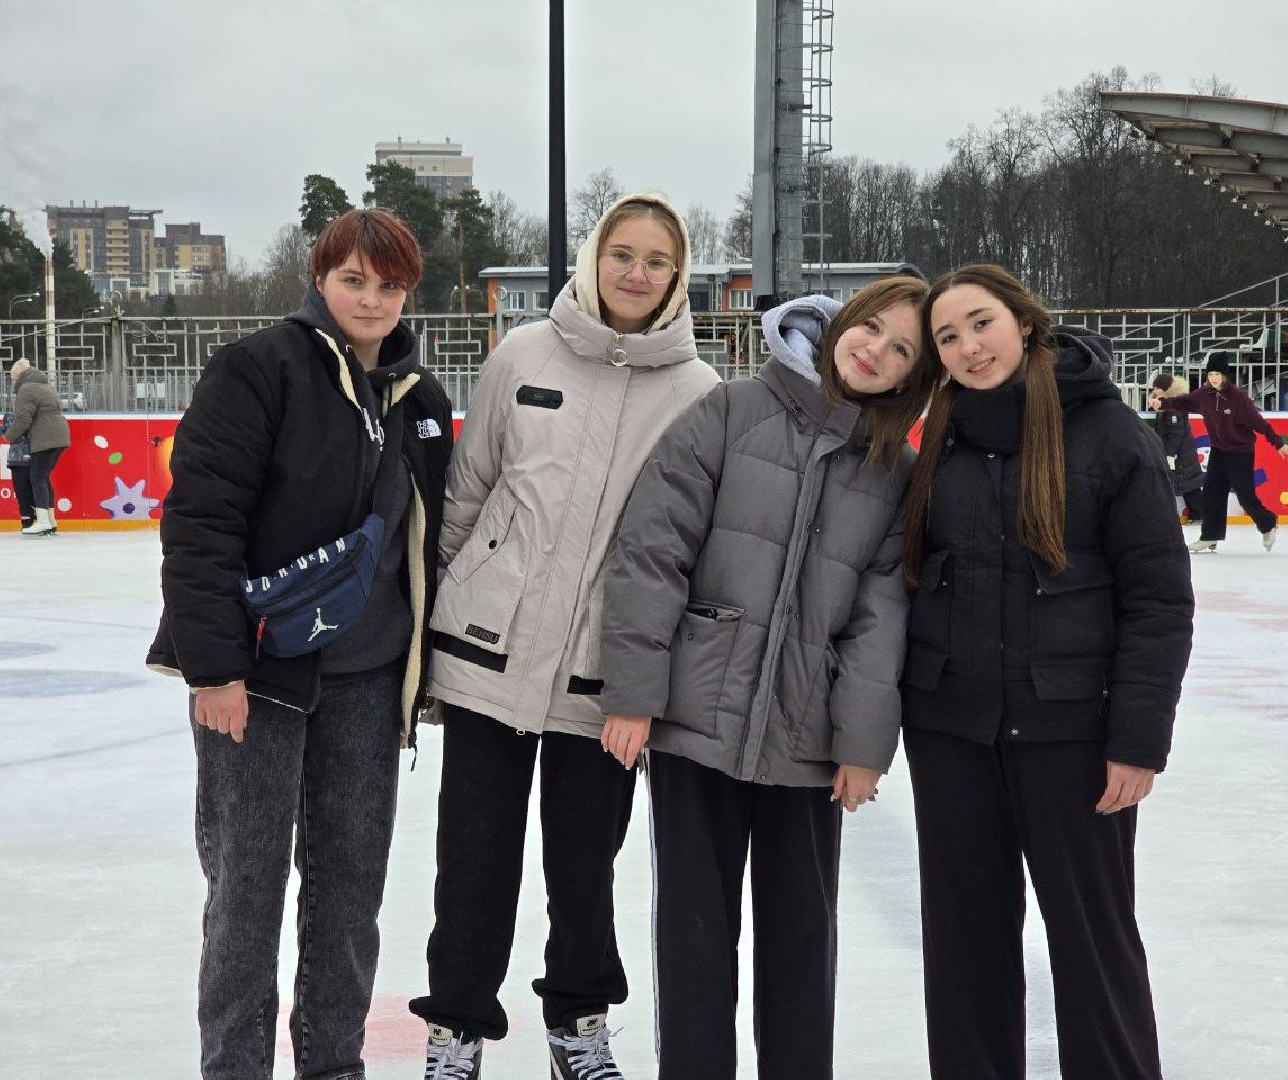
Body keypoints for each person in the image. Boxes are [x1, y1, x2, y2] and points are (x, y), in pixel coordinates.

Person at [409, 193, 720, 1080]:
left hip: (604, 679)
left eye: (656, 261)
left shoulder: (697, 391)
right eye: (622, 253)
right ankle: (456, 1030)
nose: (636, 273)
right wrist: (439, 639)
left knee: (585, 870)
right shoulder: (522, 354)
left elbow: (686, 549)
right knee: (472, 863)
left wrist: (649, 683)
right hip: (485, 659)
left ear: (678, 275)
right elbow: (467, 497)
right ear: (593, 257)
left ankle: (577, 1025)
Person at [599, 275, 940, 1079]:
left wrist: (862, 745)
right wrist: (635, 693)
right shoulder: (730, 411)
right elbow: (652, 553)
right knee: (693, 937)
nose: (876, 352)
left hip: (805, 735)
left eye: (902, 352)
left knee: (800, 941)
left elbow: (878, 616)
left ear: (911, 379)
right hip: (694, 721)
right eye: (873, 329)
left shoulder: (895, 471)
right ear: (842, 322)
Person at [145, 208, 453, 1080]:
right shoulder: (257, 370)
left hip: (368, 680)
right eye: (354, 279)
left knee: (349, 898)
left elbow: (433, 544)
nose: (372, 298)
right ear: (320, 278)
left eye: (389, 284)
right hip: (257, 678)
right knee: (246, 896)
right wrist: (212, 668)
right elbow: (201, 522)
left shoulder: (419, 397)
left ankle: (334, 1067)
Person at [901, 264, 1194, 1079]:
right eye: (948, 337)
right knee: (964, 950)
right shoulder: (942, 436)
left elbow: (1159, 601)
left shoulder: (1108, 433)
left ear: (1025, 322)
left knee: (1093, 945)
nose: (969, 347)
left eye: (981, 323)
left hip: (1073, 735)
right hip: (952, 730)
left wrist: (1137, 741)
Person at [1155, 354, 1288, 553]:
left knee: (1246, 497)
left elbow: (1259, 423)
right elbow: (1184, 402)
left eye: (1217, 373)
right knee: (1211, 496)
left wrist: (1278, 443)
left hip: (1241, 453)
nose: (1213, 377)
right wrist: (1164, 404)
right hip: (1219, 452)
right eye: (1210, 373)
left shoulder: (1238, 398)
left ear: (1225, 375)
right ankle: (1209, 537)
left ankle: (1268, 523)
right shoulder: (1204, 395)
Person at [0, 357, 69, 535]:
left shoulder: (26, 389)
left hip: (46, 437)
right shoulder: (43, 385)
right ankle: (50, 521)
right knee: (43, 478)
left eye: (12, 379)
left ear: (18, 376)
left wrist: (8, 437)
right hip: (59, 435)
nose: (12, 382)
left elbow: (23, 419)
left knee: (37, 479)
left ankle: (43, 522)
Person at [1148, 373, 1204, 524]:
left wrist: (1170, 454)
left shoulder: (1174, 405)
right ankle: (1196, 514)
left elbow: (1176, 433)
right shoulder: (1165, 403)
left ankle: (1199, 514)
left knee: (1188, 483)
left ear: (1166, 388)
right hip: (1176, 451)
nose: (1156, 390)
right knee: (1183, 482)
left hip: (1181, 453)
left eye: (1159, 387)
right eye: (1155, 387)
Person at [0, 406, 35, 530]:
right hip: (35, 459)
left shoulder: (8, 424)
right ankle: (40, 518)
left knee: (22, 492)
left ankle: (26, 521)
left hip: (17, 461)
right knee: (36, 490)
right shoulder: (32, 422)